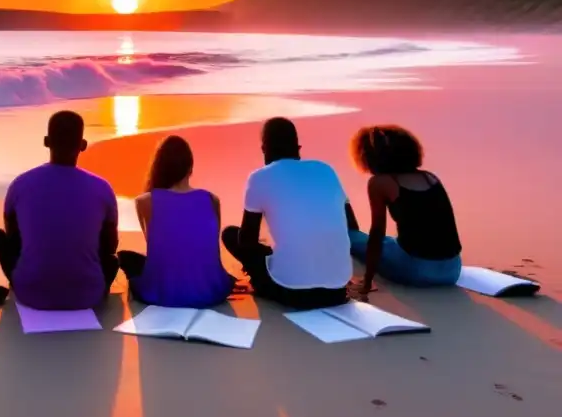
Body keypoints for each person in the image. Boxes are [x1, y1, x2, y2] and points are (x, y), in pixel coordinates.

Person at [0, 110, 119, 310]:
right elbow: (110, 247)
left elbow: (14, 238)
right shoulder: (102, 187)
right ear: (83, 145)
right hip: (87, 294)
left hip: (30, 293)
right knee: (112, 261)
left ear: (46, 141)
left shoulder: (20, 184)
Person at [221, 117, 354, 309]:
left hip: (292, 293)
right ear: (298, 148)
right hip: (337, 291)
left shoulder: (259, 177)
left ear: (264, 149)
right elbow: (351, 226)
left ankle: (265, 278)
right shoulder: (326, 170)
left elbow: (246, 241)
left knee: (230, 235)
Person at [117, 136, 234, 308]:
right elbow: (210, 245)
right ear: (190, 168)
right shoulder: (211, 199)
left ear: (160, 168)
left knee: (126, 258)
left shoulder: (144, 202)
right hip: (211, 291)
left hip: (164, 293)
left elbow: (155, 247)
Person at [348, 125, 463, 294]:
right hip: (453, 270)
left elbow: (376, 235)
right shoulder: (430, 177)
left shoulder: (380, 183)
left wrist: (367, 281)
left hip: (418, 271)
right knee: (389, 241)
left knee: (353, 238)